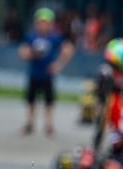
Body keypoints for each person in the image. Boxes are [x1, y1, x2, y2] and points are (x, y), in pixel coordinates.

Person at [19, 7, 75, 137]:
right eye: (41, 22)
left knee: (49, 102)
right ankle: (29, 124)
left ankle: (49, 125)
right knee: (31, 101)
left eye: (46, 22)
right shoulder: (31, 36)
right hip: (34, 73)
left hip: (47, 74)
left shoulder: (55, 37)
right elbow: (22, 52)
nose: (43, 25)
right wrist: (32, 54)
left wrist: (59, 64)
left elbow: (68, 49)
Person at [92, 37, 123, 151]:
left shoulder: (122, 72)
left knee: (120, 129)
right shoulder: (105, 70)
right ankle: (98, 150)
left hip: (118, 104)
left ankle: (118, 148)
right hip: (107, 103)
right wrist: (100, 106)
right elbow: (100, 92)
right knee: (102, 129)